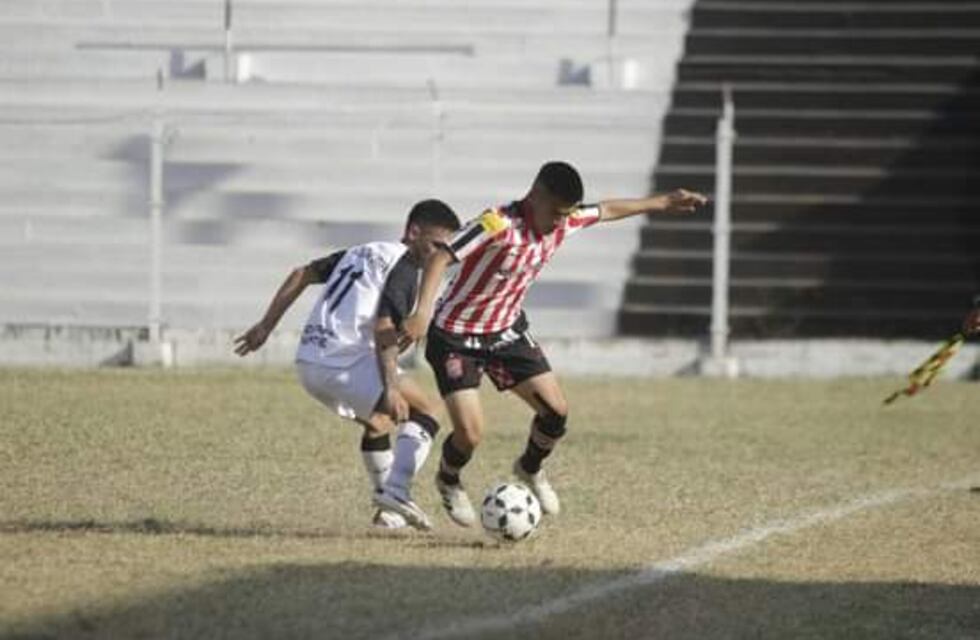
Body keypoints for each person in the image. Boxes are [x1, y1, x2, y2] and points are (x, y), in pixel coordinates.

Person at [400, 161, 708, 527]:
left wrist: (664, 202)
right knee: (470, 434)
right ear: (535, 196)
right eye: (556, 213)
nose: (561, 222)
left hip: (505, 331)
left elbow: (607, 209)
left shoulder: (565, 219)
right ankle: (449, 479)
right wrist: (422, 313)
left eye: (567, 215)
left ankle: (530, 467)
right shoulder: (496, 224)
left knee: (556, 412)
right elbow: (440, 257)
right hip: (455, 336)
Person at [234, 199, 462, 531]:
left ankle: (389, 513)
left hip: (311, 360)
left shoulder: (363, 251)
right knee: (428, 409)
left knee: (379, 422)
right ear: (413, 232)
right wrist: (391, 387)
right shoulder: (404, 265)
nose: (439, 255)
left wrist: (266, 326)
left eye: (446, 249)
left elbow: (301, 273)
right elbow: (384, 327)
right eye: (436, 245)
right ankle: (396, 492)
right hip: (343, 361)